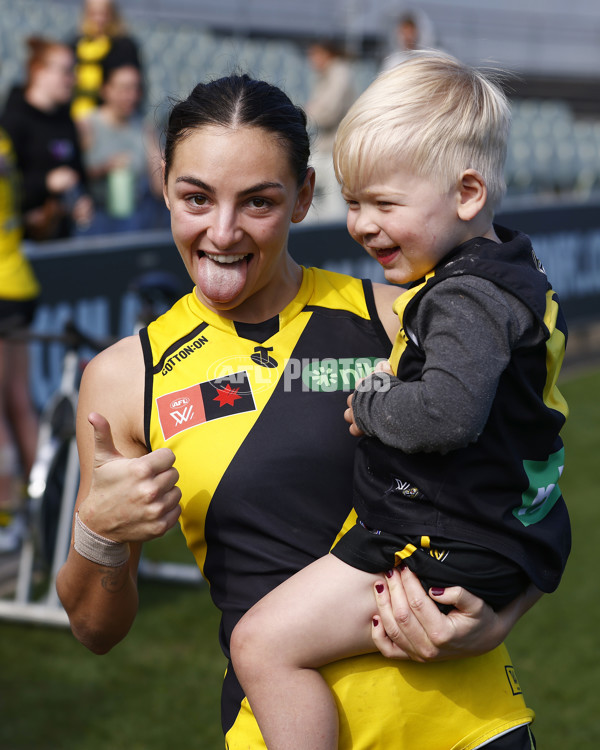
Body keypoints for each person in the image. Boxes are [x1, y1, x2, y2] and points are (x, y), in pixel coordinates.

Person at [57, 73, 543, 750]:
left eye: (258, 202)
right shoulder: (122, 378)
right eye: (196, 197)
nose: (221, 232)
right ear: (162, 182)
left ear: (304, 197)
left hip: (467, 725)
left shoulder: (399, 318)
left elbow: (530, 476)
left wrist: (505, 612)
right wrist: (98, 533)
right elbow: (94, 630)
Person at [230, 53, 570, 749]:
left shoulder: (467, 298)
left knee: (261, 644)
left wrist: (375, 403)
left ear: (467, 193)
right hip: (494, 530)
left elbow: (446, 413)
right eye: (354, 202)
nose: (362, 224)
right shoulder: (510, 268)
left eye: (384, 204)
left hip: (443, 540)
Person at [0, 37, 93, 241]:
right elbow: (6, 188)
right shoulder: (12, 122)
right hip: (22, 241)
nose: (73, 79)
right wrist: (46, 183)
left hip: (62, 237)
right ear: (39, 72)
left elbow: (79, 174)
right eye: (66, 71)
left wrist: (82, 202)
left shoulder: (66, 120)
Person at [0, 125, 41, 551]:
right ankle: (46, 509)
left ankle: (8, 514)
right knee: (18, 404)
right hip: (18, 284)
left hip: (2, 288)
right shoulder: (5, 138)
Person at [77, 61, 167, 234]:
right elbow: (75, 172)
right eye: (124, 89)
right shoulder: (87, 124)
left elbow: (158, 185)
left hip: (135, 217)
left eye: (135, 89)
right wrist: (105, 168)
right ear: (106, 89)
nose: (131, 96)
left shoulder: (144, 128)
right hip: (95, 218)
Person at [304, 39, 355, 222]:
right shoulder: (327, 74)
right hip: (325, 145)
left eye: (314, 55)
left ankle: (333, 236)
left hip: (334, 147)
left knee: (333, 198)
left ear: (326, 53)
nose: (312, 60)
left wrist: (308, 113)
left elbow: (328, 112)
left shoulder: (339, 72)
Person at [70, 0, 142, 121]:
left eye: (104, 14)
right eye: (93, 14)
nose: (99, 19)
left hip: (111, 116)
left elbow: (133, 82)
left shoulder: (123, 46)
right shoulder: (75, 44)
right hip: (77, 113)